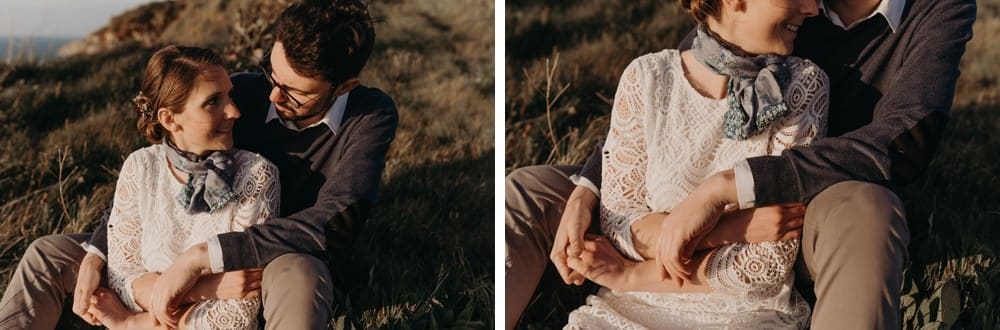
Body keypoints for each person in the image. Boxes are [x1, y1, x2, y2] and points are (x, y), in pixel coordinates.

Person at [506, 0, 976, 328]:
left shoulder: (935, 9)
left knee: (867, 211)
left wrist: (729, 190)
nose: (811, 7)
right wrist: (590, 187)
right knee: (533, 190)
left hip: (812, 194)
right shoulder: (750, 18)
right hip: (688, 207)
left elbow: (905, 141)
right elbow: (688, 65)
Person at [0, 0, 398, 328]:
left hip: (273, 253)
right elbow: (153, 174)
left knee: (300, 275)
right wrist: (97, 252)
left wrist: (202, 258)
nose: (272, 97)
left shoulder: (369, 115)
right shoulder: (240, 92)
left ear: (345, 86)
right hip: (181, 235)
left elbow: (338, 222)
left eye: (295, 93)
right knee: (50, 253)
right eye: (270, 72)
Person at [555, 0, 827, 327]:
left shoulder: (802, 86)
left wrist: (631, 275)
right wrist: (727, 229)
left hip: (746, 315)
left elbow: (768, 262)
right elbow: (618, 225)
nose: (813, 7)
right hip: (625, 311)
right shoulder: (646, 78)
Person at [76, 45, 279, 329]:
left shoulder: (256, 175)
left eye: (229, 95)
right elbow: (121, 277)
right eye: (213, 101)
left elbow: (237, 315)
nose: (233, 111)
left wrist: (131, 323)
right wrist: (202, 288)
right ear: (170, 119)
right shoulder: (140, 167)